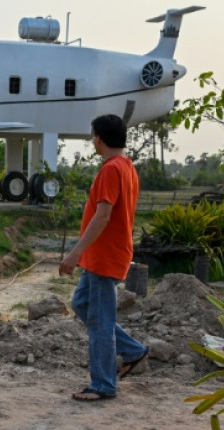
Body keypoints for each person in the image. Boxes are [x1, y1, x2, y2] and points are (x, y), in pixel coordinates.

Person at [59, 114, 149, 402]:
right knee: (82, 304)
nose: (92, 140)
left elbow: (103, 215)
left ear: (98, 138)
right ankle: (133, 350)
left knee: (99, 321)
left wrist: (75, 253)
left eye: (92, 135)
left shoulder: (111, 170)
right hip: (102, 255)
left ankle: (103, 384)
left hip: (104, 256)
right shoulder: (126, 167)